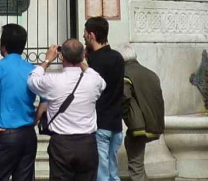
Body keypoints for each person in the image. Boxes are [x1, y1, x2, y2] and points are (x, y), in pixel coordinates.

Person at [28, 40, 106, 181]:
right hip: (87, 143)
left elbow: (32, 80)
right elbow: (101, 81)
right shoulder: (93, 80)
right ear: (83, 56)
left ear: (61, 57)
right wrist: (80, 60)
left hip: (62, 144)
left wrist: (47, 60)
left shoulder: (53, 81)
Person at [0, 24, 38, 181]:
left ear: (3, 46)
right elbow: (45, 100)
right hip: (28, 134)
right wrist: (35, 120)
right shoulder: (32, 69)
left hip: (6, 134)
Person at [84, 17, 126, 181]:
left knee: (101, 174)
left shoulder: (94, 61)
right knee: (113, 172)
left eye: (85, 34)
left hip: (101, 122)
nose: (84, 37)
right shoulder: (118, 57)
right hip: (116, 123)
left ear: (92, 35)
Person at [121, 45, 163, 181]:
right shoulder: (151, 74)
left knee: (136, 167)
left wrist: (122, 115)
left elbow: (124, 97)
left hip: (138, 127)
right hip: (154, 126)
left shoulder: (125, 73)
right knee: (138, 164)